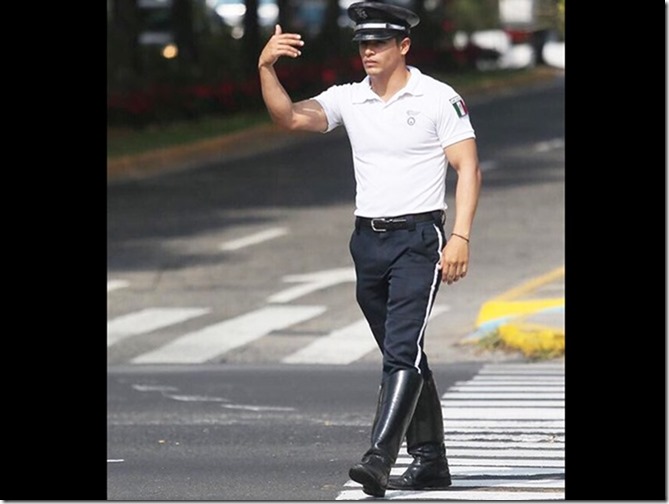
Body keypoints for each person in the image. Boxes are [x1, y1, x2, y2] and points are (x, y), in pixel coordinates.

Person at [258, 0, 482, 497]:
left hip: (419, 240)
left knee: (400, 352)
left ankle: (379, 457)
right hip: (367, 242)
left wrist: (460, 236)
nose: (368, 52)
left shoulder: (437, 98)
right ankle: (431, 462)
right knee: (405, 355)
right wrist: (266, 67)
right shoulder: (349, 98)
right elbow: (290, 118)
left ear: (404, 45)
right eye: (362, 44)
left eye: (378, 43)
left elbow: (467, 167)